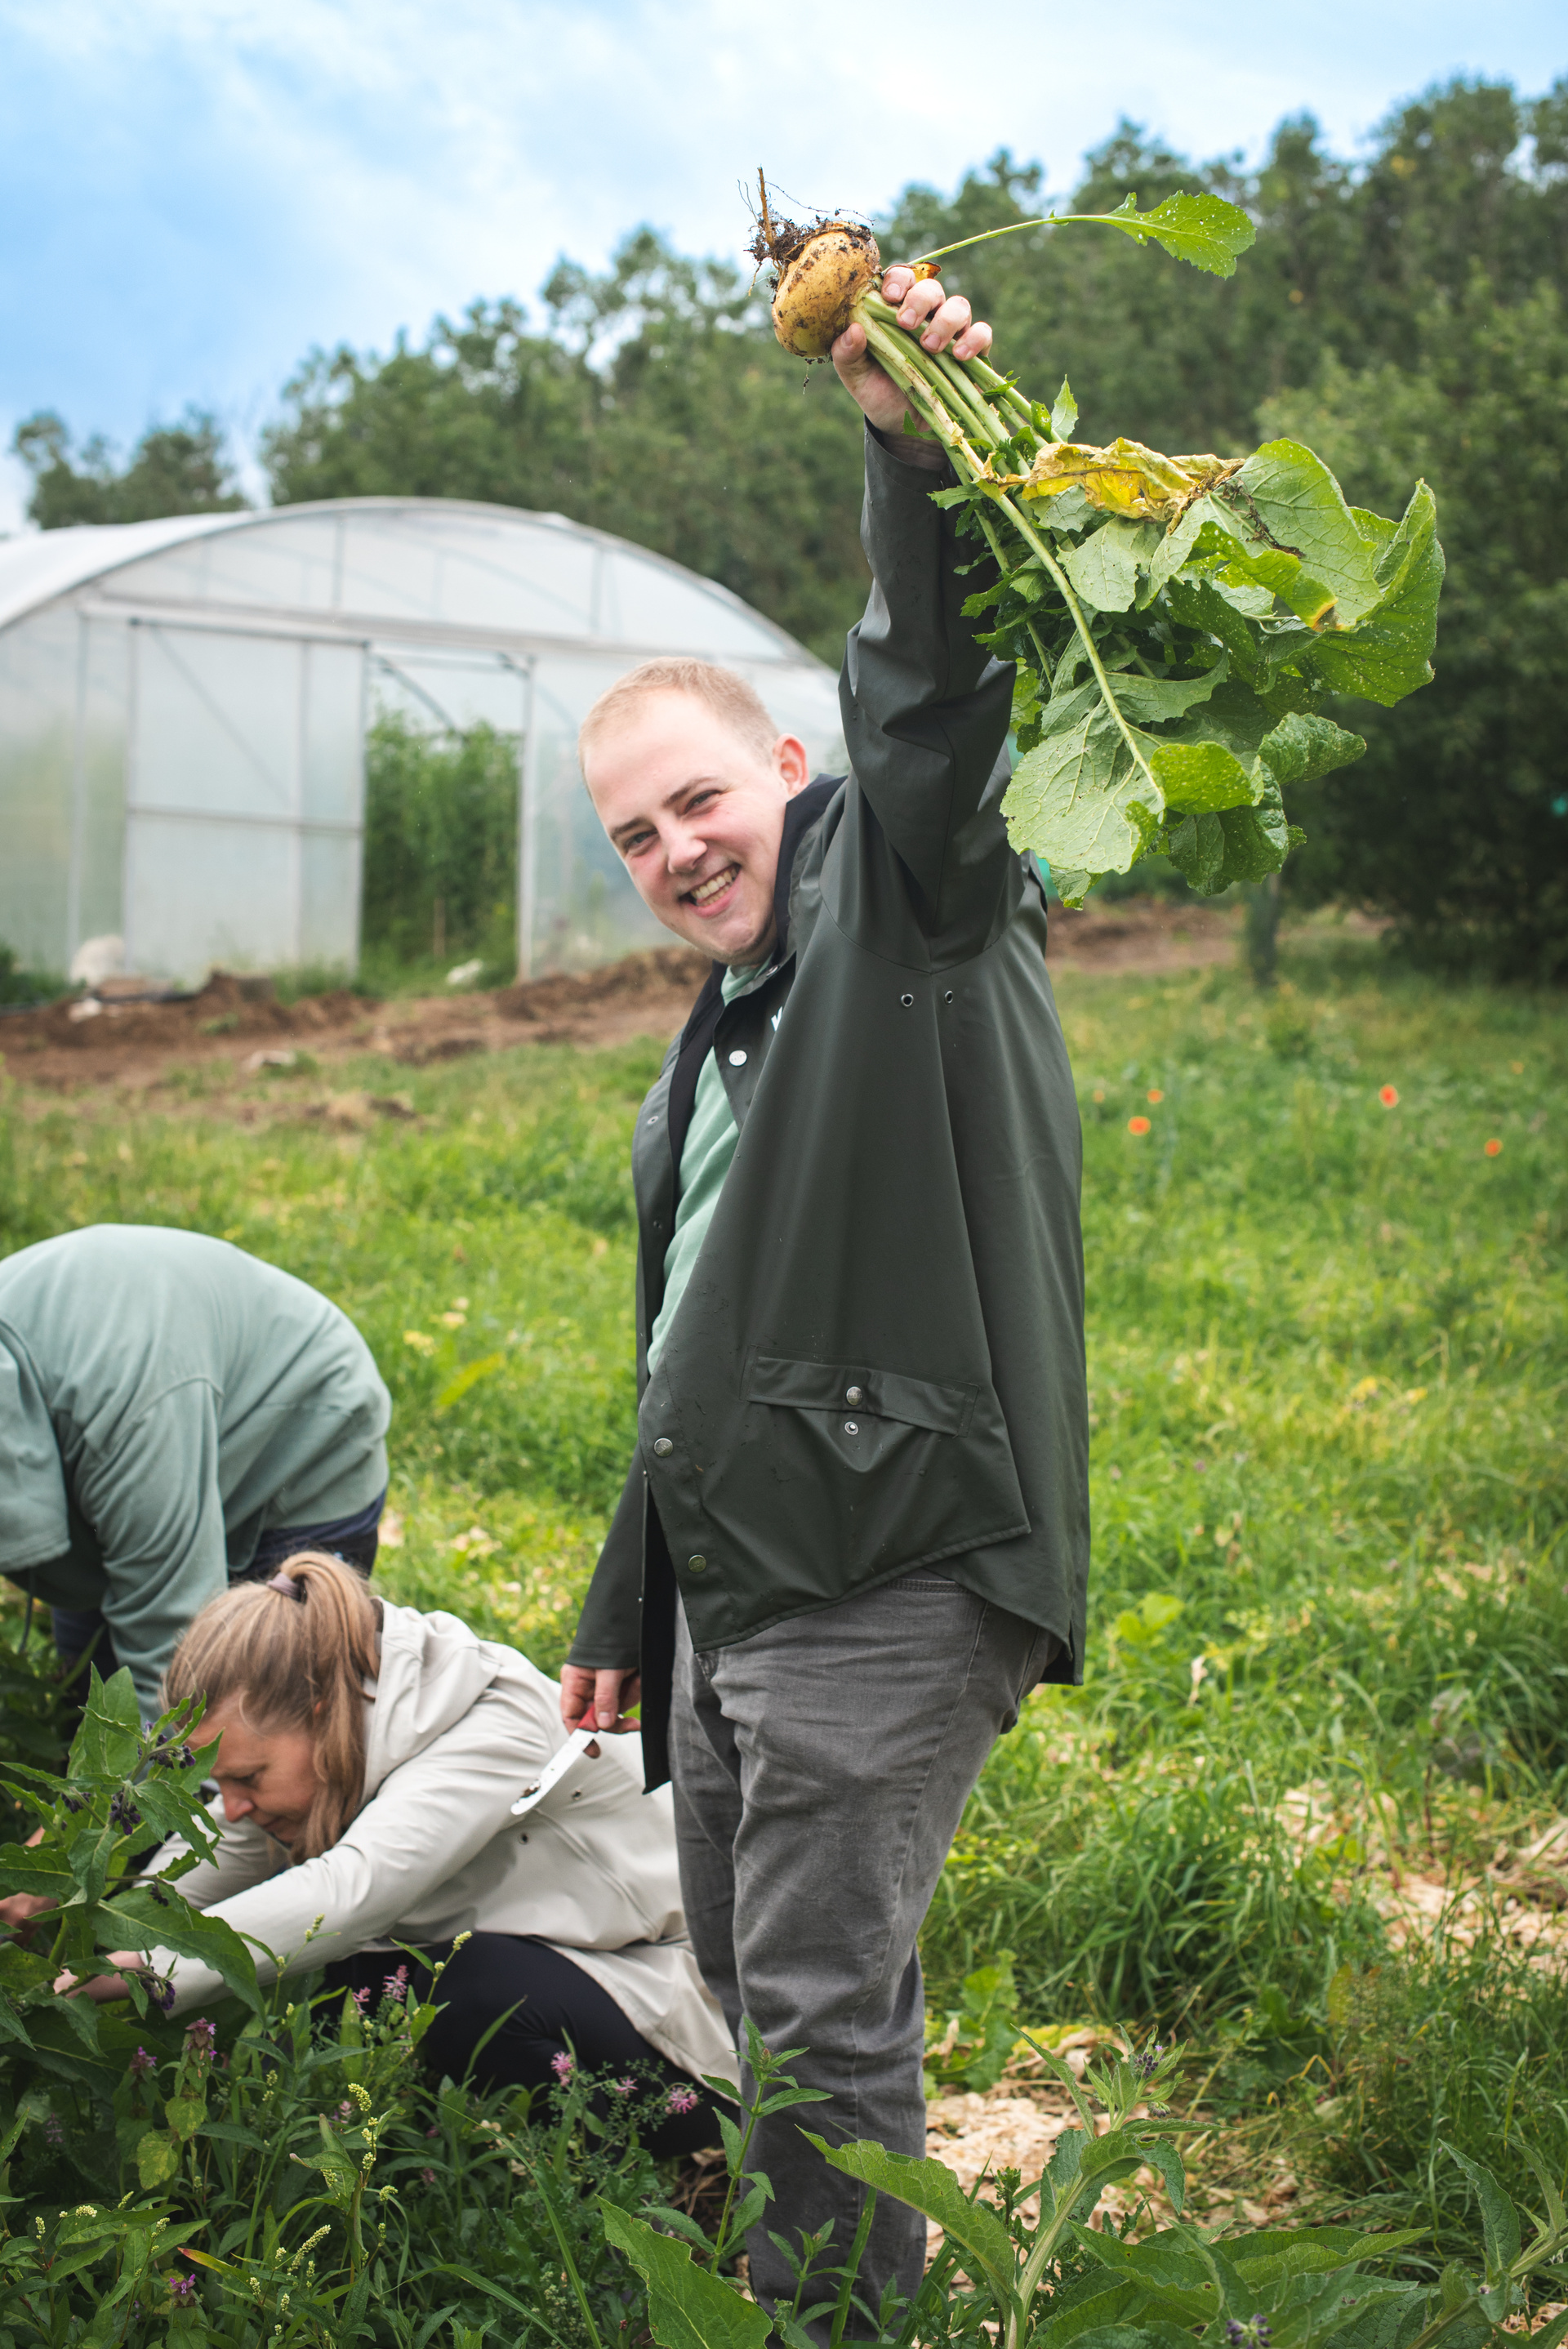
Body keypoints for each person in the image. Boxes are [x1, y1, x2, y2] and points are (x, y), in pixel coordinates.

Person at [559, 265, 1089, 2324]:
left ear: (787, 763)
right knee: (757, 1976)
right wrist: (623, 1599)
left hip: (896, 1544)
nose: (679, 850)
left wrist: (902, 441)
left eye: (700, 799)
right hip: (742, 1568)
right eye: (636, 836)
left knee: (811, 2011)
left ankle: (831, 2319)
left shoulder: (908, 891)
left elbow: (932, 692)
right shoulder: (712, 1040)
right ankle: (840, 2278)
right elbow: (691, 1333)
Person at [52, 1549, 735, 2152]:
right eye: (219, 1782)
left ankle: (579, 2189)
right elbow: (217, 1857)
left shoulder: (490, 1723)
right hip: (585, 1970)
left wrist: (141, 1971)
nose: (232, 1806)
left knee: (453, 1987)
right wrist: (93, 1941)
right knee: (353, 1982)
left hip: (688, 2021)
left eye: (249, 1778)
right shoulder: (343, 1723)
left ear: (319, 1714)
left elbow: (351, 1894)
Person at [0, 1224, 391, 1719]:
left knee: (267, 1723)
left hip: (300, 1443)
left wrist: (164, 1757)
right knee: (89, 1705)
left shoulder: (126, 1417)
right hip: (138, 1441)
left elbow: (175, 1664)